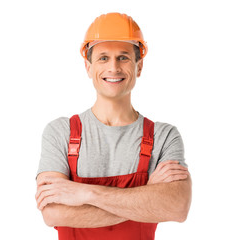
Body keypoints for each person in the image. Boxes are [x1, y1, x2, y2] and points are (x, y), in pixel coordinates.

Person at [35, 12, 192, 240]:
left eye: (124, 57)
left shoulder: (164, 136)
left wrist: (85, 193)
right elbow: (53, 213)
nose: (113, 68)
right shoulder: (61, 132)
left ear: (139, 67)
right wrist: (146, 196)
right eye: (103, 58)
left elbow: (177, 208)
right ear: (88, 67)